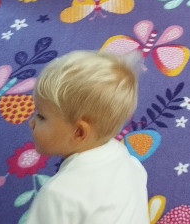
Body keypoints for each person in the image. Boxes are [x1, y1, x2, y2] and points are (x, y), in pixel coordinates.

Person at [24, 50, 149, 224]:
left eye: (41, 116)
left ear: (79, 132)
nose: (31, 122)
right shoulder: (128, 161)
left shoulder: (59, 194)